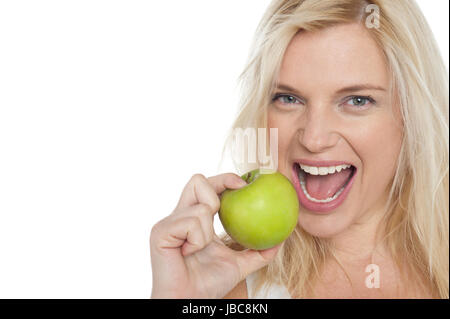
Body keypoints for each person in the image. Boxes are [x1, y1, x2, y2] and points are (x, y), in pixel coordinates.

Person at [150, 0, 449, 299]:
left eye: (357, 101)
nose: (314, 138)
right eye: (288, 99)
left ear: (411, 116)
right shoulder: (229, 282)